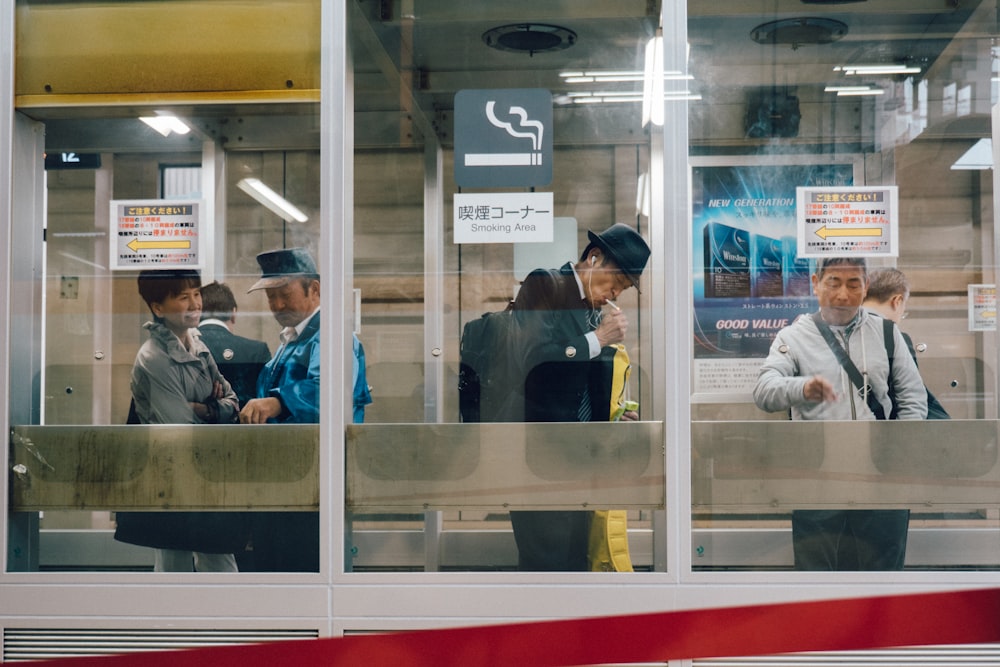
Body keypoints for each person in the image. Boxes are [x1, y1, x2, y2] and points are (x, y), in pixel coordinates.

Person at [753, 257, 927, 571]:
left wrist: (898, 456)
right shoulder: (792, 338)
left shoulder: (888, 334)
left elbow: (913, 398)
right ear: (815, 283)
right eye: (833, 282)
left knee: (883, 573)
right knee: (816, 572)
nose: (843, 294)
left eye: (853, 283)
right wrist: (803, 388)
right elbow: (765, 391)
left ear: (866, 287)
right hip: (818, 475)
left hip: (880, 475)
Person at [507, 223, 651, 571]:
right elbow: (531, 363)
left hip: (580, 463)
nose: (614, 294)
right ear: (594, 257)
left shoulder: (591, 312)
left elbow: (577, 387)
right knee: (548, 566)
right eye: (615, 283)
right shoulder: (545, 285)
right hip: (538, 464)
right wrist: (598, 340)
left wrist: (612, 414)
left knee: (577, 562)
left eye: (623, 290)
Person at [116, 269, 244, 572]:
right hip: (170, 470)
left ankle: (225, 620)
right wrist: (214, 407)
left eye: (196, 294)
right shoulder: (154, 357)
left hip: (206, 468)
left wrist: (206, 409)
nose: (195, 303)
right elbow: (178, 423)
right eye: (182, 297)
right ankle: (175, 621)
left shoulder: (198, 344)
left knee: (218, 557)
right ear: (158, 308)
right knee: (174, 560)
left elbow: (233, 402)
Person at [240, 247, 321, 572]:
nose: (277, 306)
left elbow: (328, 391)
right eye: (270, 298)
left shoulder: (330, 338)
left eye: (284, 295)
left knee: (300, 564)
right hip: (281, 478)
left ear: (314, 289)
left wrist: (278, 402)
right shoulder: (292, 340)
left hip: (311, 480)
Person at [863, 268, 949, 420]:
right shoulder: (892, 336)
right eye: (903, 311)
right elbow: (911, 398)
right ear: (897, 301)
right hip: (885, 435)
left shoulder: (834, 330)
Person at [198, 281, 272, 408]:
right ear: (233, 313)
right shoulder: (257, 350)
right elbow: (267, 400)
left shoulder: (182, 348)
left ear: (197, 312)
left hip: (193, 426)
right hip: (245, 426)